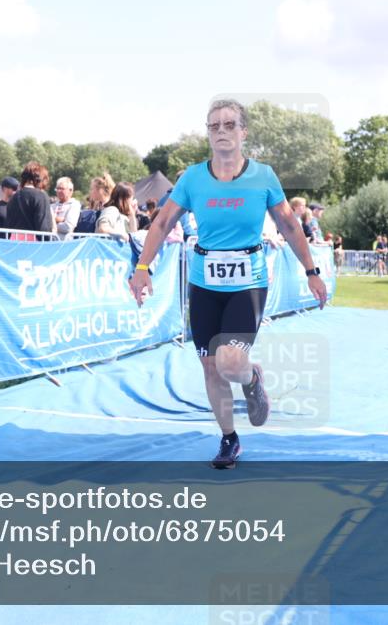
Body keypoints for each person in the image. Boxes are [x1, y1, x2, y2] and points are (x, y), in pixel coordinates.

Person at [127, 99, 327, 469]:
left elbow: (289, 225)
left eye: (229, 125)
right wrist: (142, 266)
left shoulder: (263, 176)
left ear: (243, 132)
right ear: (208, 133)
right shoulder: (192, 178)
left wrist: (312, 271)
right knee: (210, 366)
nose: (221, 131)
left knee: (231, 362)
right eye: (214, 125)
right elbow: (161, 224)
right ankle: (229, 439)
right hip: (203, 283)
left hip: (247, 281)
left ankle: (251, 379)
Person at [5, 162, 53, 237]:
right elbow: (44, 228)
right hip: (34, 245)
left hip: (14, 242)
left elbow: (9, 224)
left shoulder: (13, 198)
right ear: (41, 179)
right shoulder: (41, 196)